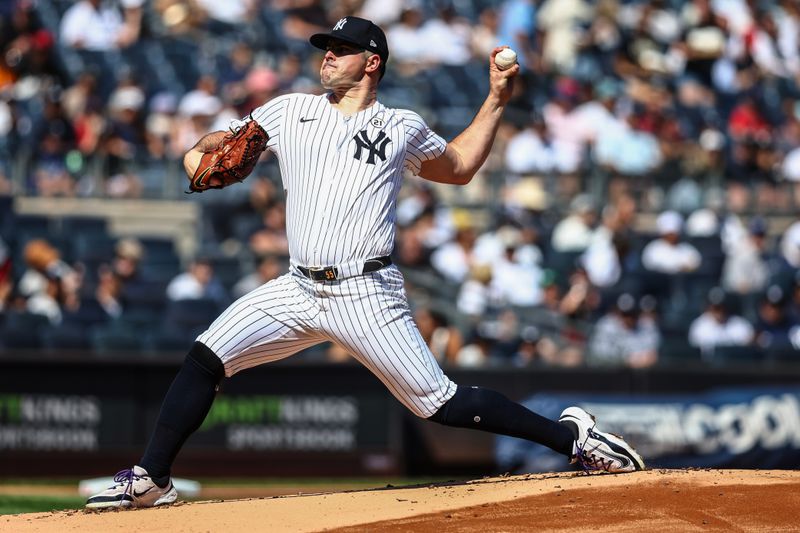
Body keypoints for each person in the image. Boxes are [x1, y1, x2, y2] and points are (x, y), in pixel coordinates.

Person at [86, 16, 643, 509]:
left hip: (366, 292)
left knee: (438, 403)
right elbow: (225, 143)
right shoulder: (290, 109)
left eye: (341, 48)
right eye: (325, 46)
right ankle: (152, 478)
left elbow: (461, 167)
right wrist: (203, 151)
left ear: (371, 62)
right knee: (207, 357)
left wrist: (496, 98)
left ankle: (574, 438)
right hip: (297, 289)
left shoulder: (400, 125)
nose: (327, 55)